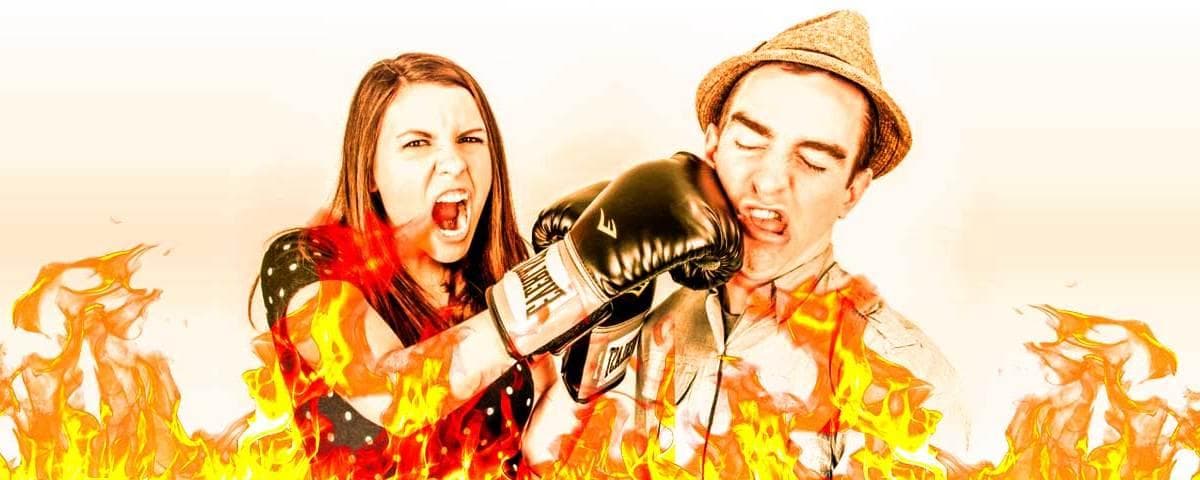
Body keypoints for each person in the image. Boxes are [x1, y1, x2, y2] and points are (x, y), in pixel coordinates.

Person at [523, 10, 969, 478]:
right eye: (750, 143)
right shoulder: (642, 327)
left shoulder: (900, 377)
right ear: (712, 147)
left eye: (813, 161)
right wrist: (594, 334)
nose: (771, 181)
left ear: (852, 192)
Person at [253, 53, 742, 478]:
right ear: (370, 172)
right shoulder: (307, 262)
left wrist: (615, 321)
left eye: (470, 139)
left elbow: (542, 451)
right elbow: (387, 393)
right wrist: (570, 277)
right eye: (417, 143)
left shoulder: (504, 275)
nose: (454, 163)